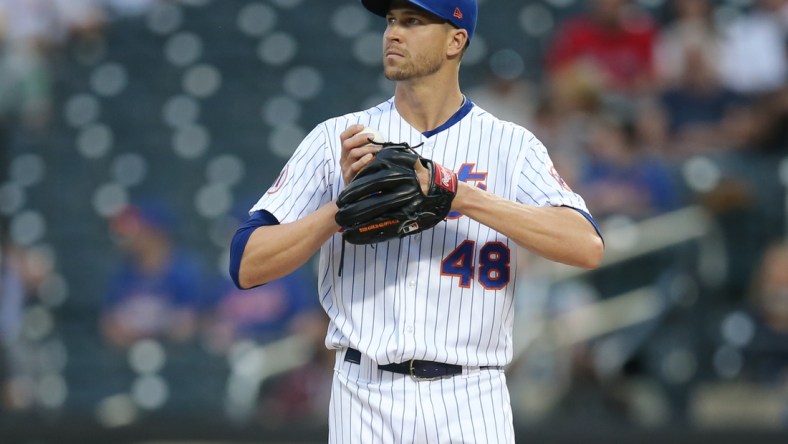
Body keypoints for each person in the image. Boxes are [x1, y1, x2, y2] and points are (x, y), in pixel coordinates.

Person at [230, 0, 604, 442]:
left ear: (455, 39)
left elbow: (586, 246)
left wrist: (461, 196)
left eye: (413, 21)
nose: (393, 33)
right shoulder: (342, 139)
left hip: (471, 396)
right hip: (363, 395)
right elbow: (246, 263)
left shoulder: (510, 146)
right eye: (391, 20)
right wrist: (340, 208)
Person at [100, 201, 204, 349]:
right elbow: (109, 325)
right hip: (127, 355)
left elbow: (186, 327)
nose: (128, 237)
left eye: (137, 230)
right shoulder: (123, 273)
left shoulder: (184, 271)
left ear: (155, 232)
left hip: (172, 356)